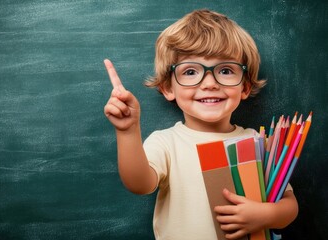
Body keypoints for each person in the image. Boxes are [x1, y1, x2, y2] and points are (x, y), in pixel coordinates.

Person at [103, 9, 298, 240]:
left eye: (225, 70)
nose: (209, 83)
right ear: (168, 87)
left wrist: (265, 214)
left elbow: (289, 205)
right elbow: (140, 184)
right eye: (191, 71)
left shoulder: (258, 141)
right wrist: (127, 132)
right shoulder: (166, 142)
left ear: (244, 87)